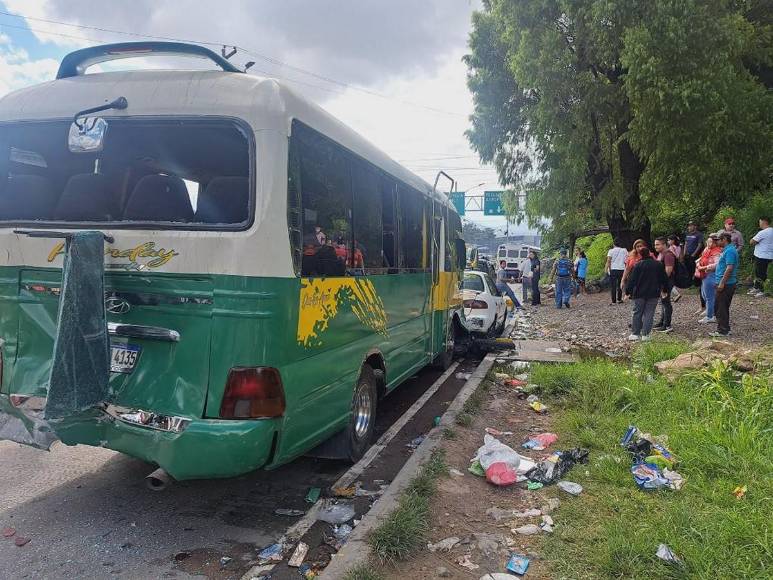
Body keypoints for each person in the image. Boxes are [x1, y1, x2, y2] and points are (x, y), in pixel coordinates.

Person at [625, 246, 668, 341]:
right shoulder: (658, 264)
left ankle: (635, 334)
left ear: (640, 254)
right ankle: (646, 335)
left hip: (639, 293)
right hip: (654, 292)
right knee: (649, 313)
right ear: (649, 253)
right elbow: (664, 278)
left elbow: (632, 280)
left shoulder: (638, 265)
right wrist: (665, 290)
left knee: (637, 312)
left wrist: (628, 291)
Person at [712, 232, 739, 337]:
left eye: (718, 239)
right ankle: (723, 328)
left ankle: (723, 330)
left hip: (726, 284)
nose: (716, 242)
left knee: (721, 307)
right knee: (719, 306)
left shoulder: (730, 251)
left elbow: (729, 268)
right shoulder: (727, 250)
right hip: (723, 282)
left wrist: (722, 283)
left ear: (724, 239)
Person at [695, 234, 722, 323]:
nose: (708, 243)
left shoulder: (717, 252)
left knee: (710, 297)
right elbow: (701, 258)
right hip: (704, 275)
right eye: (708, 241)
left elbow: (717, 265)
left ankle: (710, 316)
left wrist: (704, 267)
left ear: (715, 243)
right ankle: (709, 310)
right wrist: (698, 264)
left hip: (711, 275)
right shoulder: (707, 249)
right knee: (704, 295)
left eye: (710, 242)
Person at [653, 237, 675, 333]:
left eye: (658, 244)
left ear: (664, 245)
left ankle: (667, 325)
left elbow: (668, 271)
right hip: (662, 282)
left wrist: (663, 285)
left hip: (666, 282)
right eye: (655, 244)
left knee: (666, 302)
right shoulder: (661, 255)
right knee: (663, 302)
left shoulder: (668, 255)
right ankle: (662, 322)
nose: (655, 246)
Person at [683, 221, 705, 311]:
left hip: (694, 255)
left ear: (695, 226)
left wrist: (694, 253)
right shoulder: (687, 235)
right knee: (688, 269)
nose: (689, 227)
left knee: (694, 269)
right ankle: (689, 283)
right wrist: (684, 253)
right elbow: (686, 244)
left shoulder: (699, 235)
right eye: (689, 226)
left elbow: (699, 245)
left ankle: (696, 283)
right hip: (687, 255)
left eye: (691, 225)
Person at [749, 216, 772, 297]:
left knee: (760, 274)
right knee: (763, 273)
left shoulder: (763, 232)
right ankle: (757, 288)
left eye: (760, 221)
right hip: (770, 256)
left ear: (764, 222)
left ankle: (762, 290)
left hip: (761, 256)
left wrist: (756, 241)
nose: (759, 223)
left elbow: (751, 241)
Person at [606, 238, 628, 304]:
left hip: (614, 269)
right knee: (620, 284)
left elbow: (608, 261)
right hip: (622, 269)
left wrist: (609, 269)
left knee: (613, 286)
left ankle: (613, 301)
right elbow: (627, 260)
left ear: (614, 244)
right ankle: (619, 299)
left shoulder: (611, 251)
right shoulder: (624, 250)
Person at [667, 235, 683, 302]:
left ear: (673, 240)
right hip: (676, 263)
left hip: (671, 263)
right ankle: (671, 295)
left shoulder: (671, 247)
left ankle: (676, 294)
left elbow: (673, 255)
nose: (668, 241)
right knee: (671, 279)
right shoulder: (679, 247)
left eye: (669, 240)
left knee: (668, 279)